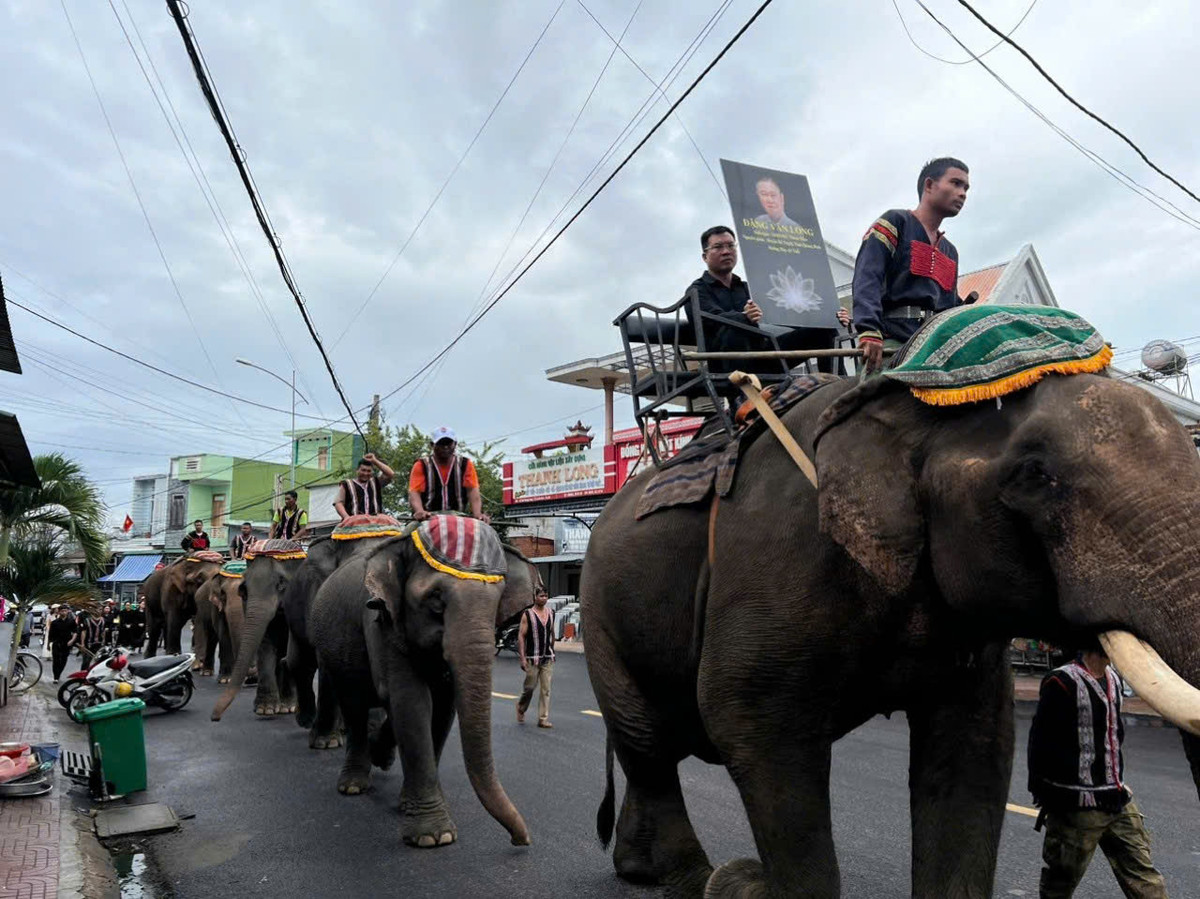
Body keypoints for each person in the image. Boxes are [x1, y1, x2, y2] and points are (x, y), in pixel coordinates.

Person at [1028, 643, 1167, 898]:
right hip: (1078, 805)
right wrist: (1047, 793)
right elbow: (1041, 741)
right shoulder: (1061, 681)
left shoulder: (1113, 678)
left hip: (1117, 800)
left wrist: (1116, 779)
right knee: (1060, 884)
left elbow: (1114, 736)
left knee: (1145, 877)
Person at [852, 157, 972, 374]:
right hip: (892, 341)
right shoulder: (895, 222)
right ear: (929, 185)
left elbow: (948, 306)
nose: (963, 193)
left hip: (932, 347)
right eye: (955, 183)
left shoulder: (950, 251)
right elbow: (868, 276)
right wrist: (869, 330)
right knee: (878, 400)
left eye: (966, 187)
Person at [408, 427, 490, 524]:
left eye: (448, 443)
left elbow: (472, 490)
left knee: (484, 534)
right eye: (441, 443)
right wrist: (419, 511)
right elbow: (414, 492)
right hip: (428, 517)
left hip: (459, 517)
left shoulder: (465, 464)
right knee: (405, 535)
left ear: (455, 444)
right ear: (432, 445)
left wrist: (477, 513)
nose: (445, 447)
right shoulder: (421, 465)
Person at [516, 586, 555, 728]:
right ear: (535, 597)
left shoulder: (551, 613)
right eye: (541, 596)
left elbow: (551, 632)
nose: (544, 598)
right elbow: (521, 636)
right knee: (530, 688)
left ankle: (543, 718)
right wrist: (522, 658)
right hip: (533, 657)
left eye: (545, 596)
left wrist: (553, 648)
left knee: (546, 689)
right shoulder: (528, 614)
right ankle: (521, 707)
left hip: (547, 657)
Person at [334, 454, 395, 521]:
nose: (365, 473)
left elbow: (390, 474)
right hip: (353, 524)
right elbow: (338, 503)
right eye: (363, 470)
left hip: (375, 524)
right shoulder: (347, 484)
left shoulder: (375, 482)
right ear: (357, 470)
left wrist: (375, 461)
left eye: (368, 471)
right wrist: (346, 518)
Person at [48, 605, 77, 683]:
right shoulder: (54, 623)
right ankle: (56, 677)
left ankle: (59, 673)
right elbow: (50, 634)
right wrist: (48, 644)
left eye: (65, 610)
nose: (64, 612)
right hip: (56, 643)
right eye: (62, 611)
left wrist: (72, 640)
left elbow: (75, 632)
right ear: (59, 611)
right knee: (56, 661)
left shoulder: (71, 621)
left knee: (63, 660)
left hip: (66, 643)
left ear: (68, 611)